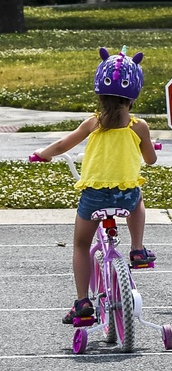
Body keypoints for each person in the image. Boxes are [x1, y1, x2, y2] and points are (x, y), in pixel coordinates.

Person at [32, 46, 158, 325]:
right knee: (138, 201)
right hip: (125, 197)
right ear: (133, 94)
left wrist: (43, 154)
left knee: (80, 244)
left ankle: (82, 302)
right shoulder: (139, 127)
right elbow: (150, 160)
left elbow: (64, 144)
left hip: (94, 198)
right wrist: (148, 147)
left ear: (99, 92)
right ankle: (137, 249)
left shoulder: (93, 123)